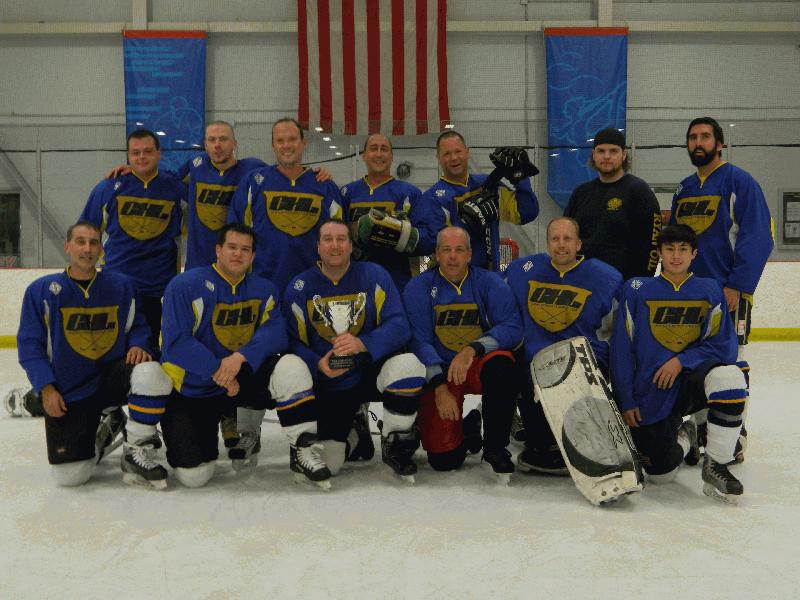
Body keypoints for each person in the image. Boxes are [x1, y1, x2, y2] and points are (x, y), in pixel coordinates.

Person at [159, 223, 331, 488]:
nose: (238, 254)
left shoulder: (265, 289)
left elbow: (277, 333)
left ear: (253, 256)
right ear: (218, 250)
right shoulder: (184, 285)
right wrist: (219, 371)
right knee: (194, 476)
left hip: (240, 378)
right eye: (232, 247)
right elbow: (176, 343)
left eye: (245, 249)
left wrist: (238, 359)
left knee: (290, 365)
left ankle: (302, 449)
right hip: (194, 387)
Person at [16, 221, 173, 488]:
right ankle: (109, 428)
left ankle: (136, 449)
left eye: (93, 242)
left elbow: (138, 326)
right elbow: (30, 345)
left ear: (101, 249)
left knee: (151, 372)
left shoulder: (122, 286)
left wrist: (140, 345)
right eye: (80, 242)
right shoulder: (41, 291)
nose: (87, 249)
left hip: (112, 377)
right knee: (71, 476)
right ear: (67, 247)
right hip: (71, 388)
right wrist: (46, 388)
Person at [610, 224, 748, 503]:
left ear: (694, 253)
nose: (676, 256)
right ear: (660, 253)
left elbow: (725, 347)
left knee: (731, 376)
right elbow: (621, 350)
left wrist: (681, 360)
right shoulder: (637, 290)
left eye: (683, 249)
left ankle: (716, 463)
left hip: (690, 380)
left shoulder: (709, 289)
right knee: (661, 474)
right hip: (651, 389)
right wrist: (626, 399)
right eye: (669, 249)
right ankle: (687, 436)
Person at [283, 219, 425, 481]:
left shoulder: (374, 275)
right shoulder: (299, 286)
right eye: (328, 239)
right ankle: (355, 429)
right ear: (318, 247)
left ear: (351, 245)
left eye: (341, 239)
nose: (335, 245)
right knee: (330, 464)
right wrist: (317, 363)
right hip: (331, 382)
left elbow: (400, 325)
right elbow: (291, 341)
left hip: (368, 372)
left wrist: (363, 343)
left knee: (409, 365)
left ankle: (394, 441)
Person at [671, 116, 773, 461]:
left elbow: (758, 237)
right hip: (690, 296)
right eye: (692, 137)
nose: (698, 143)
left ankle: (734, 435)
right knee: (698, 363)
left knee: (731, 363)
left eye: (705, 136)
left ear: (719, 144)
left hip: (728, 295)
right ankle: (703, 428)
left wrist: (737, 286)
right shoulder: (684, 189)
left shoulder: (739, 181)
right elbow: (675, 242)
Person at [403, 226, 523, 482]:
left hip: (477, 365)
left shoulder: (489, 282)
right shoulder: (418, 287)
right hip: (442, 371)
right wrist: (438, 386)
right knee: (444, 461)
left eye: (459, 250)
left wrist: (473, 349)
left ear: (469, 254)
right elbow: (418, 341)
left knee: (503, 365)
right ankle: (469, 428)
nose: (452, 256)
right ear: (436, 255)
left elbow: (512, 327)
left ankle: (495, 447)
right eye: (446, 250)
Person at [506, 217, 622, 473]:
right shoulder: (522, 271)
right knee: (541, 442)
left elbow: (616, 334)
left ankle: (584, 435)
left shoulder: (605, 277)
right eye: (555, 239)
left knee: (578, 431)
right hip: (537, 365)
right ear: (547, 243)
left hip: (583, 364)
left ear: (578, 244)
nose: (561, 245)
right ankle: (540, 440)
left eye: (567, 239)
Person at [80, 128, 185, 345]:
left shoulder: (175, 188)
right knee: (113, 350)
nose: (141, 157)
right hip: (116, 285)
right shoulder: (108, 188)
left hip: (158, 289)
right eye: (135, 153)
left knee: (148, 352)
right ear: (128, 156)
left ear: (159, 154)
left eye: (148, 151)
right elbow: (85, 235)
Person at [228, 117, 344, 293]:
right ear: (273, 146)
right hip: (262, 286)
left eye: (292, 139)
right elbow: (234, 235)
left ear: (303, 143)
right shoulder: (253, 183)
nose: (286, 145)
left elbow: (340, 241)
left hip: (314, 288)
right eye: (280, 141)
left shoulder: (325, 186)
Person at [422, 131, 539, 271]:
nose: (454, 158)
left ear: (467, 152)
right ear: (438, 158)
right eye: (447, 154)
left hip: (491, 277)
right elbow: (433, 249)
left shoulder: (488, 184)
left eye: (458, 151)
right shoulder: (432, 198)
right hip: (454, 279)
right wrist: (465, 224)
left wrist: (520, 176)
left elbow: (527, 213)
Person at [341, 133, 443, 289]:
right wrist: (355, 230)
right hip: (355, 280)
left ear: (391, 157)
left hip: (397, 282)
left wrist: (402, 234)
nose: (379, 154)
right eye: (373, 149)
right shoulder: (347, 192)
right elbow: (334, 231)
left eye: (384, 149)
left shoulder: (411, 193)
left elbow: (430, 240)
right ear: (364, 156)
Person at [564, 127, 662, 281]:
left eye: (613, 151)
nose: (607, 156)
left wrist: (637, 284)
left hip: (623, 285)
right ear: (593, 155)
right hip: (582, 283)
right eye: (601, 151)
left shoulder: (639, 191)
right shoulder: (580, 193)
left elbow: (652, 244)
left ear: (624, 155)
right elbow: (566, 236)